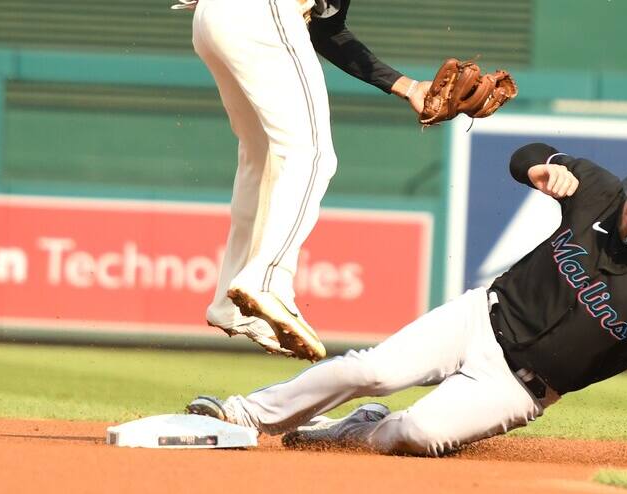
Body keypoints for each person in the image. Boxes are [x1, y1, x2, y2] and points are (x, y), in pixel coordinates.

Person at [186, 142, 627, 470]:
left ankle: (353, 430)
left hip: (519, 388)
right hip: (478, 317)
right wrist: (540, 167)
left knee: (416, 435)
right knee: (371, 368)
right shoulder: (600, 191)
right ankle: (245, 414)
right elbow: (528, 156)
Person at [172, 0, 432, 360]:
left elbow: (328, 31)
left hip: (214, 19)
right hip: (262, 13)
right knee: (312, 156)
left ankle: (228, 305)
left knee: (260, 158)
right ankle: (268, 280)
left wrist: (409, 86)